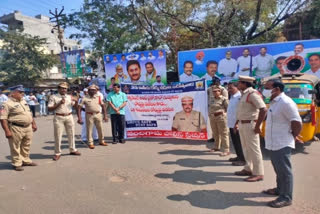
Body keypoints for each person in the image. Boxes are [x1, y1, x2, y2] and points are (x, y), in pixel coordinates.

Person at [263, 80, 302, 208]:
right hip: (274, 141)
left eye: (267, 87)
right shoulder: (274, 102)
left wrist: (294, 135)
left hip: (282, 141)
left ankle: (286, 197)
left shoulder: (286, 102)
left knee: (285, 171)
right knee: (278, 168)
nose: (265, 90)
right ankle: (280, 189)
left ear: (277, 89)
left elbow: (296, 122)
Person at [234, 76, 267, 182]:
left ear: (245, 84)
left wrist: (258, 126)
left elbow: (263, 109)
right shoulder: (244, 94)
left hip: (251, 124)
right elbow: (242, 111)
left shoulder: (252, 94)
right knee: (246, 148)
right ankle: (248, 168)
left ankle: (258, 173)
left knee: (254, 149)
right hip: (243, 124)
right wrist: (237, 122)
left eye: (239, 83)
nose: (237, 84)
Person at [0, 85, 37, 171]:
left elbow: (29, 113)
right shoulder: (6, 104)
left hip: (28, 127)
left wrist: (33, 123)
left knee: (26, 145)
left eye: (23, 92)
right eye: (20, 92)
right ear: (13, 93)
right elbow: (3, 119)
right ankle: (17, 163)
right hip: (16, 128)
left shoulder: (23, 101)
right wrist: (7, 131)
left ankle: (25, 160)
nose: (22, 93)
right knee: (15, 146)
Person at [48, 82, 81, 161]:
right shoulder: (53, 97)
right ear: (58, 89)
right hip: (59, 117)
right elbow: (49, 109)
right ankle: (57, 153)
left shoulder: (69, 97)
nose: (64, 90)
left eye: (65, 88)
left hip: (69, 116)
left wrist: (76, 101)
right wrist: (59, 103)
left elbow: (75, 107)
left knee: (71, 134)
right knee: (58, 136)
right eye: (62, 88)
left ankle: (72, 149)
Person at [77, 84, 108, 149]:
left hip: (98, 114)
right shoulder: (84, 98)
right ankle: (90, 143)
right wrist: (79, 118)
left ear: (96, 91)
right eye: (91, 90)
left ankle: (101, 141)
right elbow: (79, 108)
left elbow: (103, 106)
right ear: (88, 90)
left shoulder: (98, 97)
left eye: (94, 90)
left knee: (100, 129)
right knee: (89, 129)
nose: (92, 91)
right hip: (89, 115)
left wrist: (105, 115)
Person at [227, 82, 245, 166]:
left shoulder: (239, 97)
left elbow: (241, 112)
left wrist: (237, 124)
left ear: (237, 87)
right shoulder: (232, 97)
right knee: (235, 142)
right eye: (228, 88)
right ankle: (238, 156)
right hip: (231, 124)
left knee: (240, 142)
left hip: (237, 125)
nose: (229, 90)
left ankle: (243, 159)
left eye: (231, 88)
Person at [208, 85, 229, 156]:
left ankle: (226, 149)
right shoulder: (211, 99)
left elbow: (228, 108)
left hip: (221, 118)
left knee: (224, 133)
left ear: (220, 91)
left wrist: (223, 113)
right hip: (212, 118)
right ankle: (216, 147)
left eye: (217, 91)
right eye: (214, 91)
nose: (215, 92)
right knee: (215, 133)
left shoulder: (224, 99)